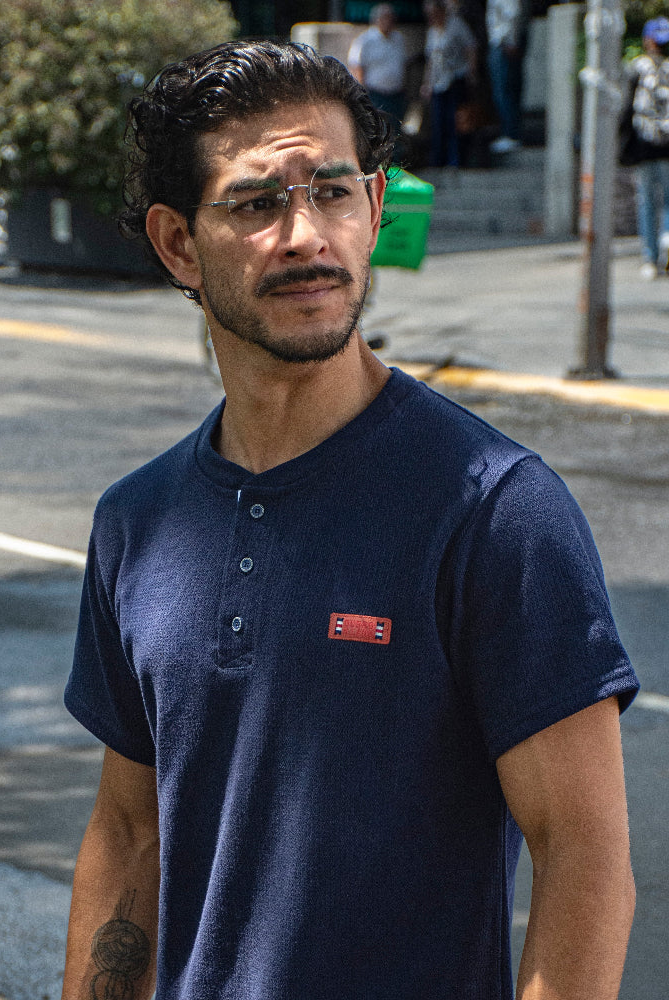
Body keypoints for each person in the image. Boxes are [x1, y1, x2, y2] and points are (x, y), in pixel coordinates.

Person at [62, 39, 639, 1000]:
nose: (305, 235)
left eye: (333, 193)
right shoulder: (137, 523)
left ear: (374, 209)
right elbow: (131, 835)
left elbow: (582, 856)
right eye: (256, 203)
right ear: (175, 244)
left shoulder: (493, 507)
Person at [625, 16, 669, 279]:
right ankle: (666, 244)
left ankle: (650, 257)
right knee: (668, 201)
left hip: (644, 146)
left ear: (647, 40)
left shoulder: (637, 67)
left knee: (647, 201)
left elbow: (625, 109)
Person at [421, 0, 478, 167]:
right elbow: (431, 60)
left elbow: (471, 48)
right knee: (439, 123)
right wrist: (427, 83)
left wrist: (471, 73)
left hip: (455, 79)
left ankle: (457, 160)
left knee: (456, 122)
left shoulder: (457, 25)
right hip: (438, 82)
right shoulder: (432, 31)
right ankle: (439, 160)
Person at [347, 3, 408, 125]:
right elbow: (356, 65)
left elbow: (403, 64)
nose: (388, 21)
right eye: (385, 18)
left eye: (391, 18)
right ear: (377, 20)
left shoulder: (399, 39)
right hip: (376, 94)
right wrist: (363, 94)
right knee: (378, 127)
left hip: (396, 94)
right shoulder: (366, 40)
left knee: (396, 129)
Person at [486, 0, 530, 154]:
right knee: (504, 90)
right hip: (502, 41)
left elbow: (513, 13)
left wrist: (512, 40)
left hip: (504, 42)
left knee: (505, 90)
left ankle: (511, 134)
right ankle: (509, 132)